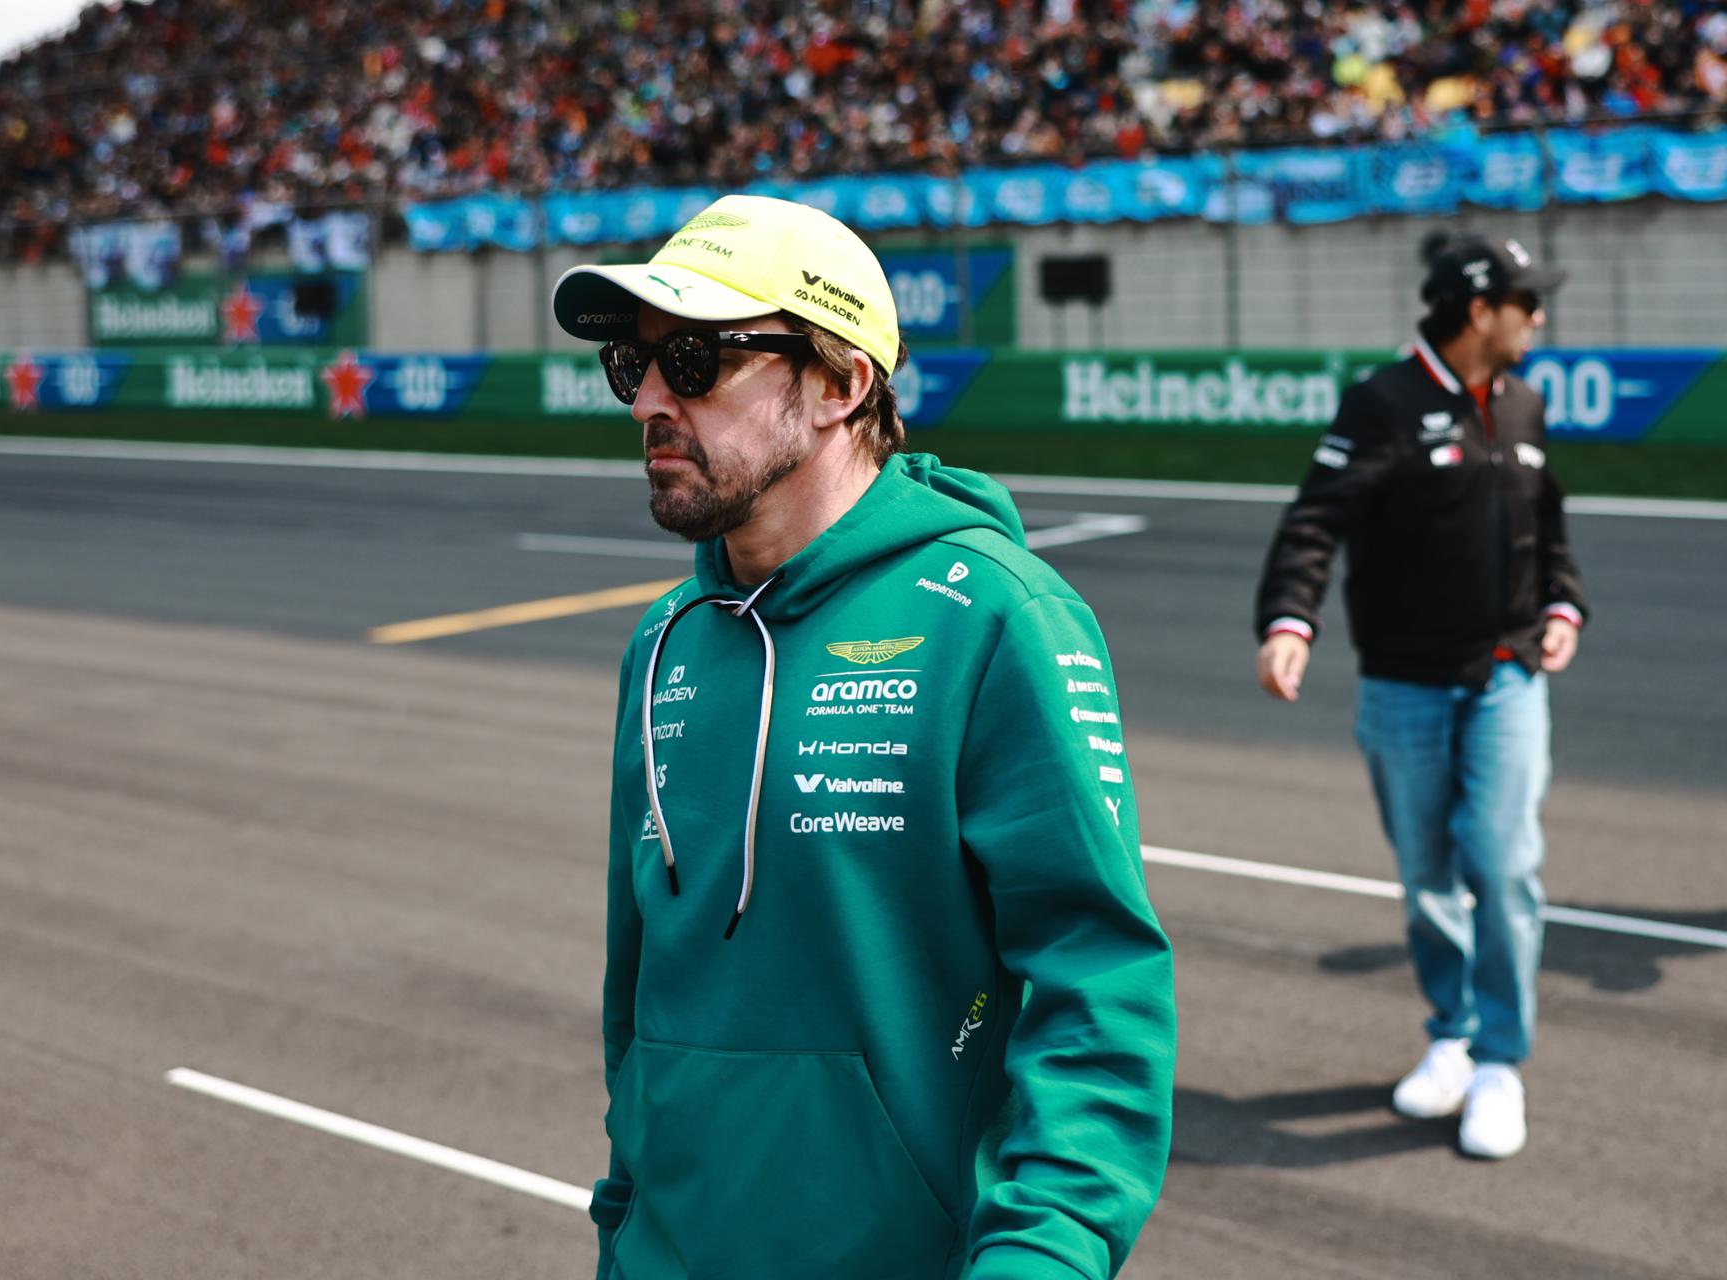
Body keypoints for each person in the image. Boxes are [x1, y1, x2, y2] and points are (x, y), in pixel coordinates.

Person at [551, 194, 1176, 1279]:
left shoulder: (995, 618)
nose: (648, 397)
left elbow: (1099, 990)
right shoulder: (664, 640)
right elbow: (639, 994)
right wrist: (621, 1222)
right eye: (632, 363)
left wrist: (1045, 1256)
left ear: (841, 384)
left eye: (694, 359)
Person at [1252, 232, 1588, 1160]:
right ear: (1480, 310)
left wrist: (1564, 601)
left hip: (1509, 676)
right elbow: (1314, 522)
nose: (1539, 318)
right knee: (1430, 876)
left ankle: (1500, 1062)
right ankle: (1452, 1036)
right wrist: (1289, 620)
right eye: (1527, 302)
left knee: (1504, 866)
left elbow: (1548, 521)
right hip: (1403, 684)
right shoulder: (1383, 403)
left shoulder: (1524, 402)